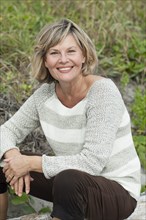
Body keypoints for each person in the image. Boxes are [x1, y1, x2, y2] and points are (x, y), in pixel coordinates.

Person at [0, 18, 141, 220]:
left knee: (68, 180)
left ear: (84, 55)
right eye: (54, 53)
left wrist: (29, 163)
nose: (63, 59)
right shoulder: (45, 95)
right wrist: (14, 158)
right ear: (45, 60)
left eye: (71, 51)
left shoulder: (102, 93)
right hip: (71, 183)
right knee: (3, 159)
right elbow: (6, 131)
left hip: (116, 191)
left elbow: (92, 163)